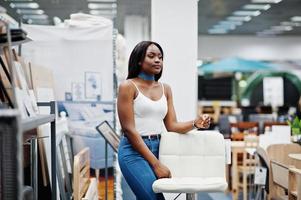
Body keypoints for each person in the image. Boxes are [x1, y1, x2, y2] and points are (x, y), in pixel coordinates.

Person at [117, 41, 211, 200]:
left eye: (160, 57)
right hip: (133, 151)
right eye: (151, 56)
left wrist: (195, 123)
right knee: (154, 198)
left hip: (160, 147)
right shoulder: (128, 86)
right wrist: (156, 164)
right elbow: (129, 130)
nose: (157, 60)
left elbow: (172, 126)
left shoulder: (165, 89)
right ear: (139, 60)